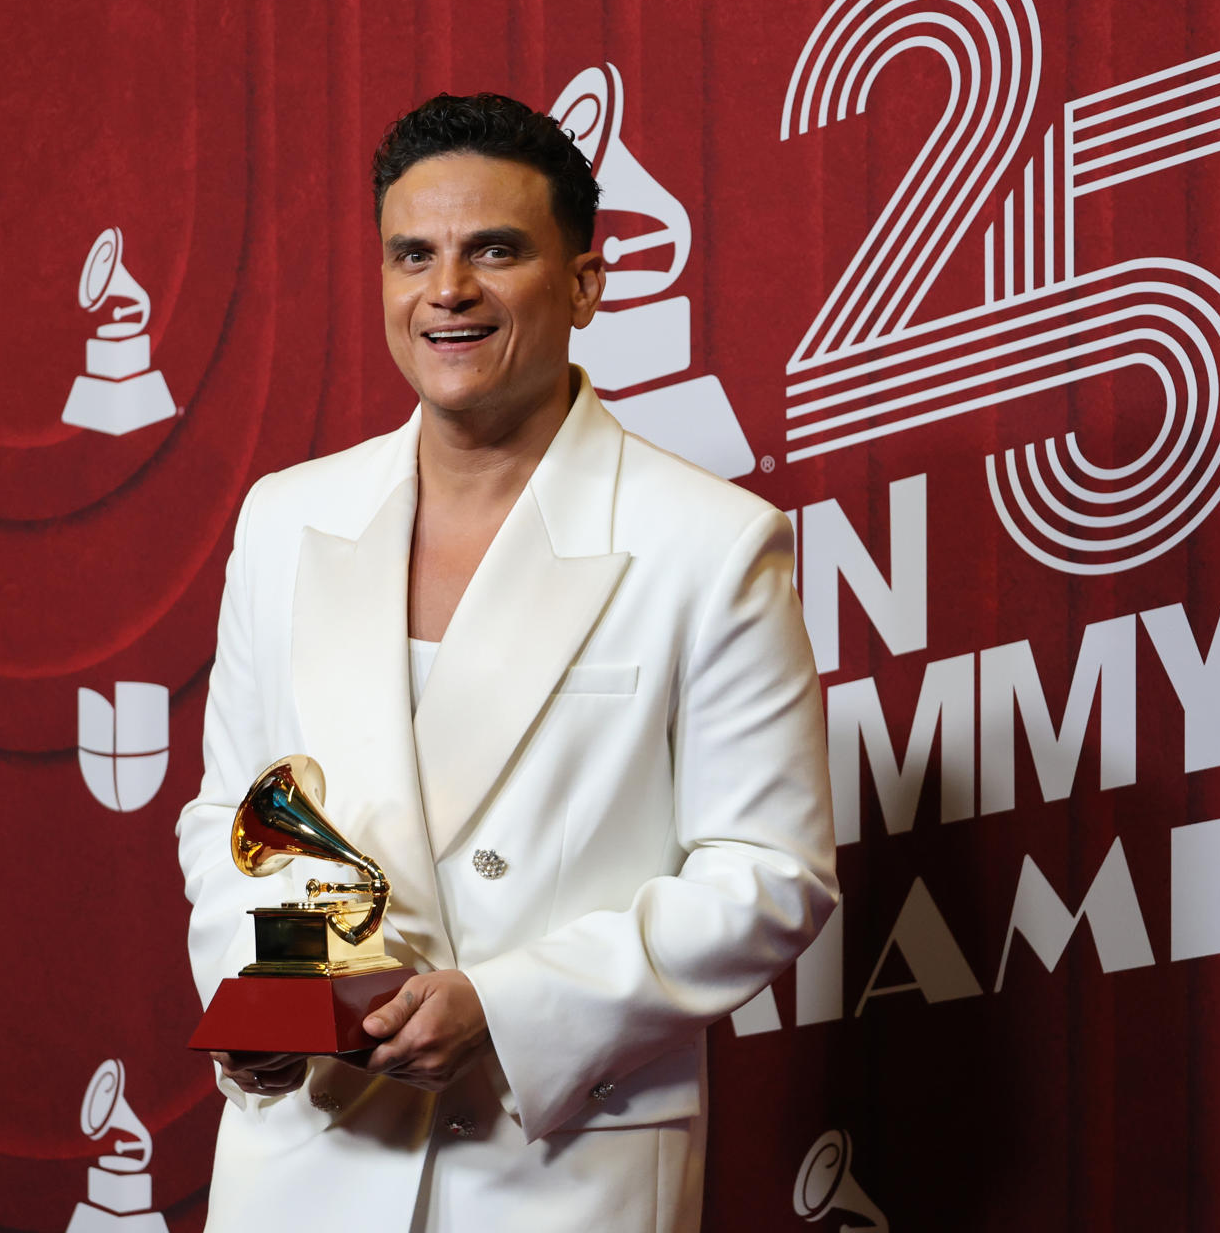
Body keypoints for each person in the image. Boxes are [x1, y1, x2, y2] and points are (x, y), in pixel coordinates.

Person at [176, 91, 837, 1233]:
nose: (449, 290)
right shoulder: (284, 520)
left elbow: (772, 874)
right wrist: (259, 1003)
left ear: (586, 281)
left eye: (496, 250)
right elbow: (229, 814)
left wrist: (509, 1004)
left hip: (556, 1160)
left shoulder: (709, 541)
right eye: (412, 254)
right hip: (301, 1156)